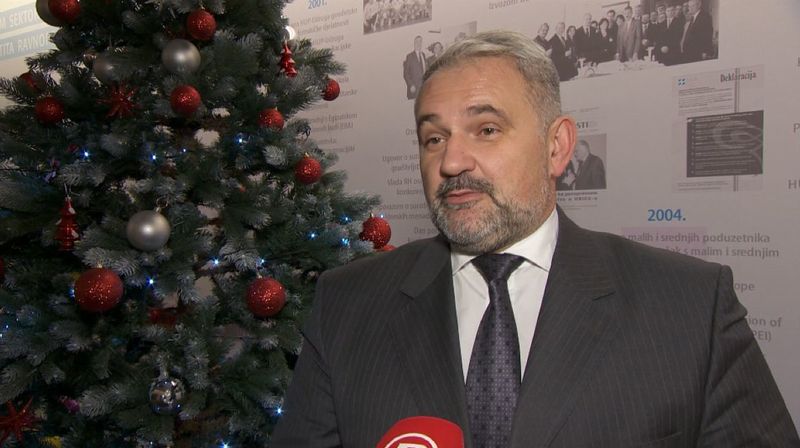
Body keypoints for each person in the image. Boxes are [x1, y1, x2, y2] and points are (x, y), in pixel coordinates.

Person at [271, 30, 800, 448]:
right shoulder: (348, 304)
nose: (451, 162)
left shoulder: (691, 306)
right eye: (433, 138)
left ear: (557, 147)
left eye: (486, 129)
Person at [403, 35, 427, 99]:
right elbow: (406, 74)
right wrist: (411, 85)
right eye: (417, 41)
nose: (419, 43)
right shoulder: (409, 56)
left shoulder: (423, 55)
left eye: (420, 41)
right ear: (414, 43)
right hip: (414, 89)